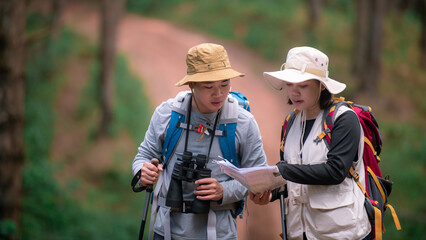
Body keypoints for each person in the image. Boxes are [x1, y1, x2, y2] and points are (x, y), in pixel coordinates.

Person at [132, 43, 268, 240]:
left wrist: (224, 191)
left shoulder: (243, 123)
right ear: (191, 85)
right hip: (166, 231)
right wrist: (142, 171)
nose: (219, 94)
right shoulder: (167, 115)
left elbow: (258, 177)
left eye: (224, 84)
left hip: (220, 233)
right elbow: (144, 156)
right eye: (208, 87)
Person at [250, 46, 371, 240]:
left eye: (303, 86)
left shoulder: (344, 119)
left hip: (342, 234)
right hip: (300, 233)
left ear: (322, 85)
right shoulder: (291, 122)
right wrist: (270, 193)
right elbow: (295, 180)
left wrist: (283, 170)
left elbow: (335, 171)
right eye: (289, 84)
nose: (294, 92)